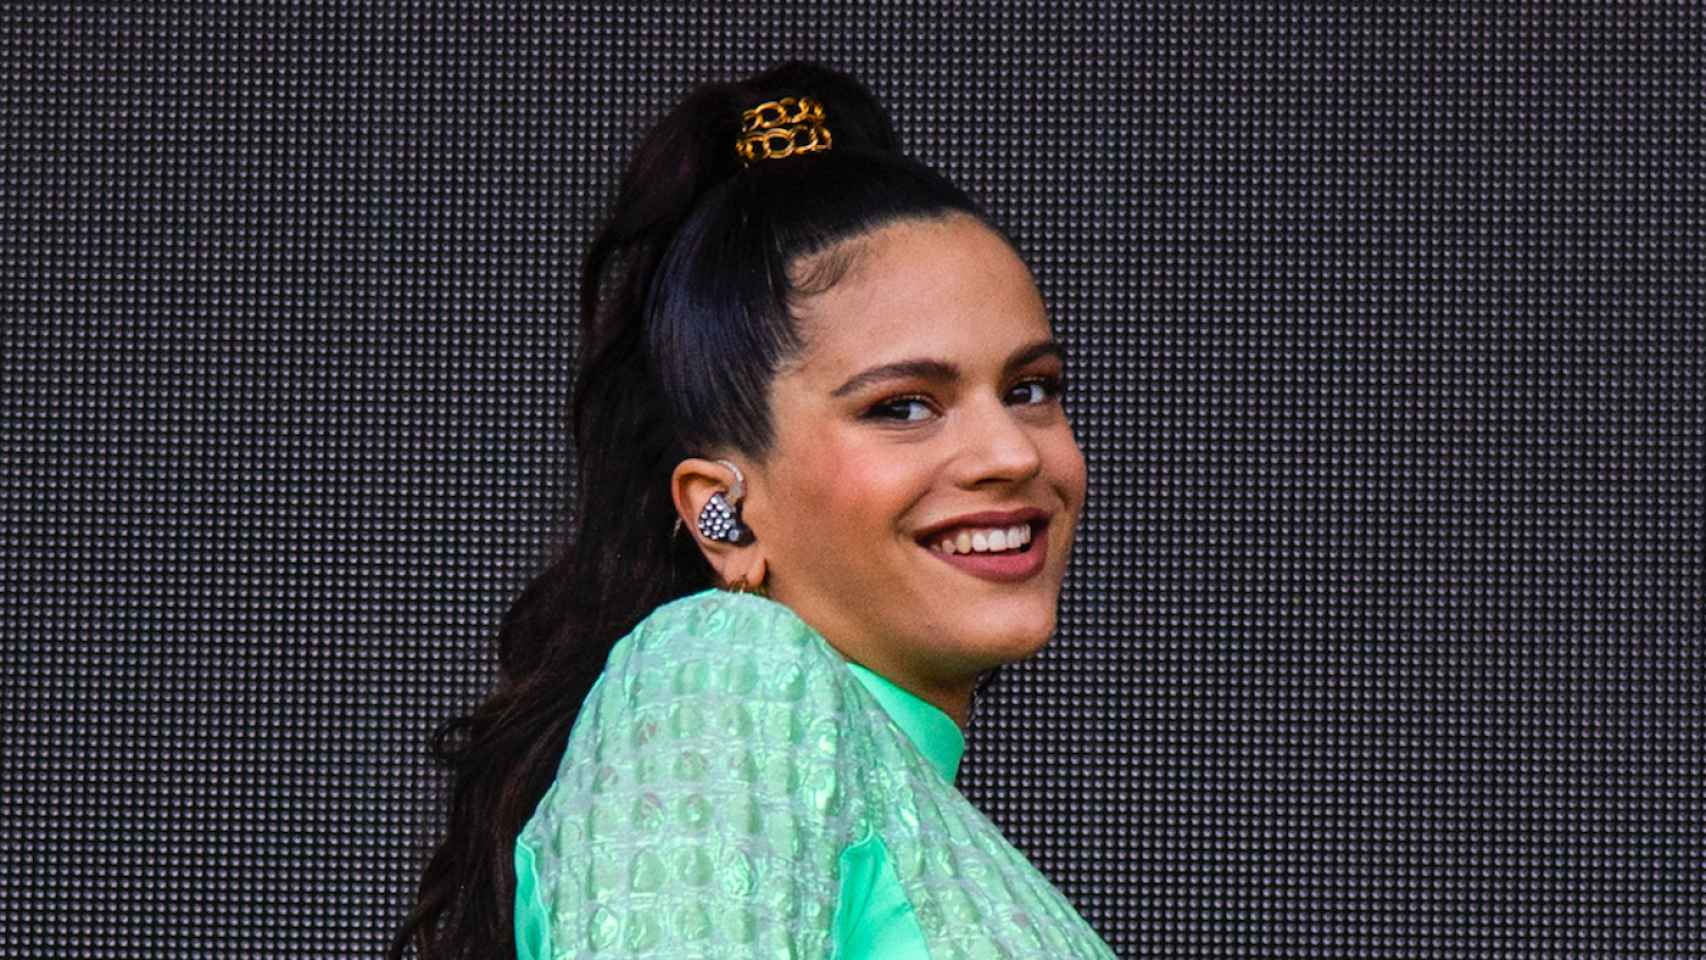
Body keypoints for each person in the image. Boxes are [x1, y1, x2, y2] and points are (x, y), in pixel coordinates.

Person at [392, 61, 1116, 959]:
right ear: (718, 511)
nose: (1014, 453)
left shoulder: (912, 806)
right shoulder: (726, 672)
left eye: (1031, 389)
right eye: (903, 405)